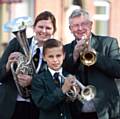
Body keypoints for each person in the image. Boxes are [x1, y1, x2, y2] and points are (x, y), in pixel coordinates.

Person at [63, 8, 120, 119]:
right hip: (78, 111)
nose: (80, 28)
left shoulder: (108, 43)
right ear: (70, 29)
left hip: (105, 111)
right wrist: (74, 56)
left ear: (91, 25)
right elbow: (63, 74)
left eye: (84, 24)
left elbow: (118, 70)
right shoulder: (65, 49)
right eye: (75, 25)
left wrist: (95, 56)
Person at [0, 11, 56, 119]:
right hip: (10, 106)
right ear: (34, 28)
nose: (44, 31)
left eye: (48, 28)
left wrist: (32, 81)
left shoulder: (55, 51)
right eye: (40, 27)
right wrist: (8, 66)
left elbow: (54, 82)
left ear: (53, 31)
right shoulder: (16, 43)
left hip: (36, 108)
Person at [31, 38, 77, 119]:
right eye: (51, 56)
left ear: (64, 56)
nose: (55, 60)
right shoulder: (38, 79)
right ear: (44, 58)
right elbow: (42, 104)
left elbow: (76, 108)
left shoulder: (70, 76)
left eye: (58, 56)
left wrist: (75, 95)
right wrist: (62, 91)